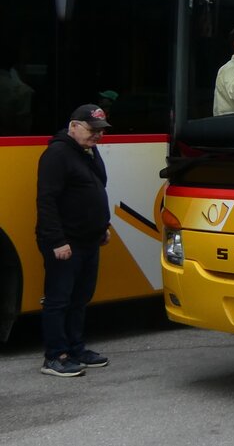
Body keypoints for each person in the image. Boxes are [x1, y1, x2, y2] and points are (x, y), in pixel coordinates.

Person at [35, 104, 114, 377]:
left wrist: (102, 226)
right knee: (59, 300)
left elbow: (94, 189)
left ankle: (76, 349)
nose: (98, 136)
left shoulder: (88, 151)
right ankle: (55, 356)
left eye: (101, 131)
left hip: (88, 239)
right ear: (73, 126)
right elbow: (46, 201)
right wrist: (57, 241)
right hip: (65, 242)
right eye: (92, 130)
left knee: (80, 298)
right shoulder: (56, 154)